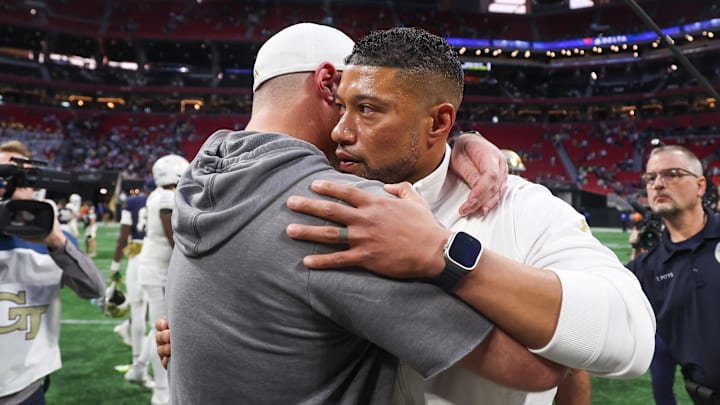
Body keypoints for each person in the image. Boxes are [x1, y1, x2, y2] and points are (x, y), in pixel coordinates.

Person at [163, 23, 567, 404]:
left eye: (368, 106)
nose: (348, 126)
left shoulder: (198, 181)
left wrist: (458, 142)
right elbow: (535, 369)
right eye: (351, 101)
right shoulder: (337, 209)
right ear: (327, 83)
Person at [282, 26, 656, 403]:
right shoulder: (318, 193)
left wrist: (445, 254)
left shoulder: (519, 207)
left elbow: (631, 336)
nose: (340, 132)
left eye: (366, 109)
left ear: (438, 123)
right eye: (341, 107)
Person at [0, 140, 105, 404]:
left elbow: (93, 289)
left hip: (24, 387)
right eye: (2, 177)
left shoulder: (53, 241)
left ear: (33, 185)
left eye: (17, 179)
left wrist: (58, 243)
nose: (7, 187)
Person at [626, 145, 720, 405]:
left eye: (672, 174)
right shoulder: (645, 270)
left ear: (700, 186)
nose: (658, 184)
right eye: (651, 178)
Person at [124, 154, 188, 405]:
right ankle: (160, 390)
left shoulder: (155, 195)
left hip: (151, 265)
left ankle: (139, 368)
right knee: (161, 329)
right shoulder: (166, 198)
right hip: (158, 268)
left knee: (159, 327)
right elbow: (173, 237)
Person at [109, 186, 149, 369]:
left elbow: (123, 237)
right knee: (146, 310)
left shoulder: (133, 202)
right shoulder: (168, 199)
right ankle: (138, 364)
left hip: (138, 256)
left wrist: (115, 266)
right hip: (155, 256)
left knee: (141, 308)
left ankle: (126, 330)